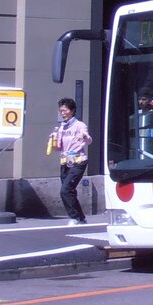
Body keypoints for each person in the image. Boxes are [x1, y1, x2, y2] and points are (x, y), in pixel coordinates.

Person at [51, 97, 92, 226]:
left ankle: (74, 218)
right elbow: (58, 148)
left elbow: (88, 139)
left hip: (78, 161)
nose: (62, 113)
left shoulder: (79, 125)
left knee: (65, 190)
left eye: (65, 110)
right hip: (65, 162)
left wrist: (83, 135)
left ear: (72, 110)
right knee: (70, 191)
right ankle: (81, 218)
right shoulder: (61, 127)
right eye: (60, 111)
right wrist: (53, 141)